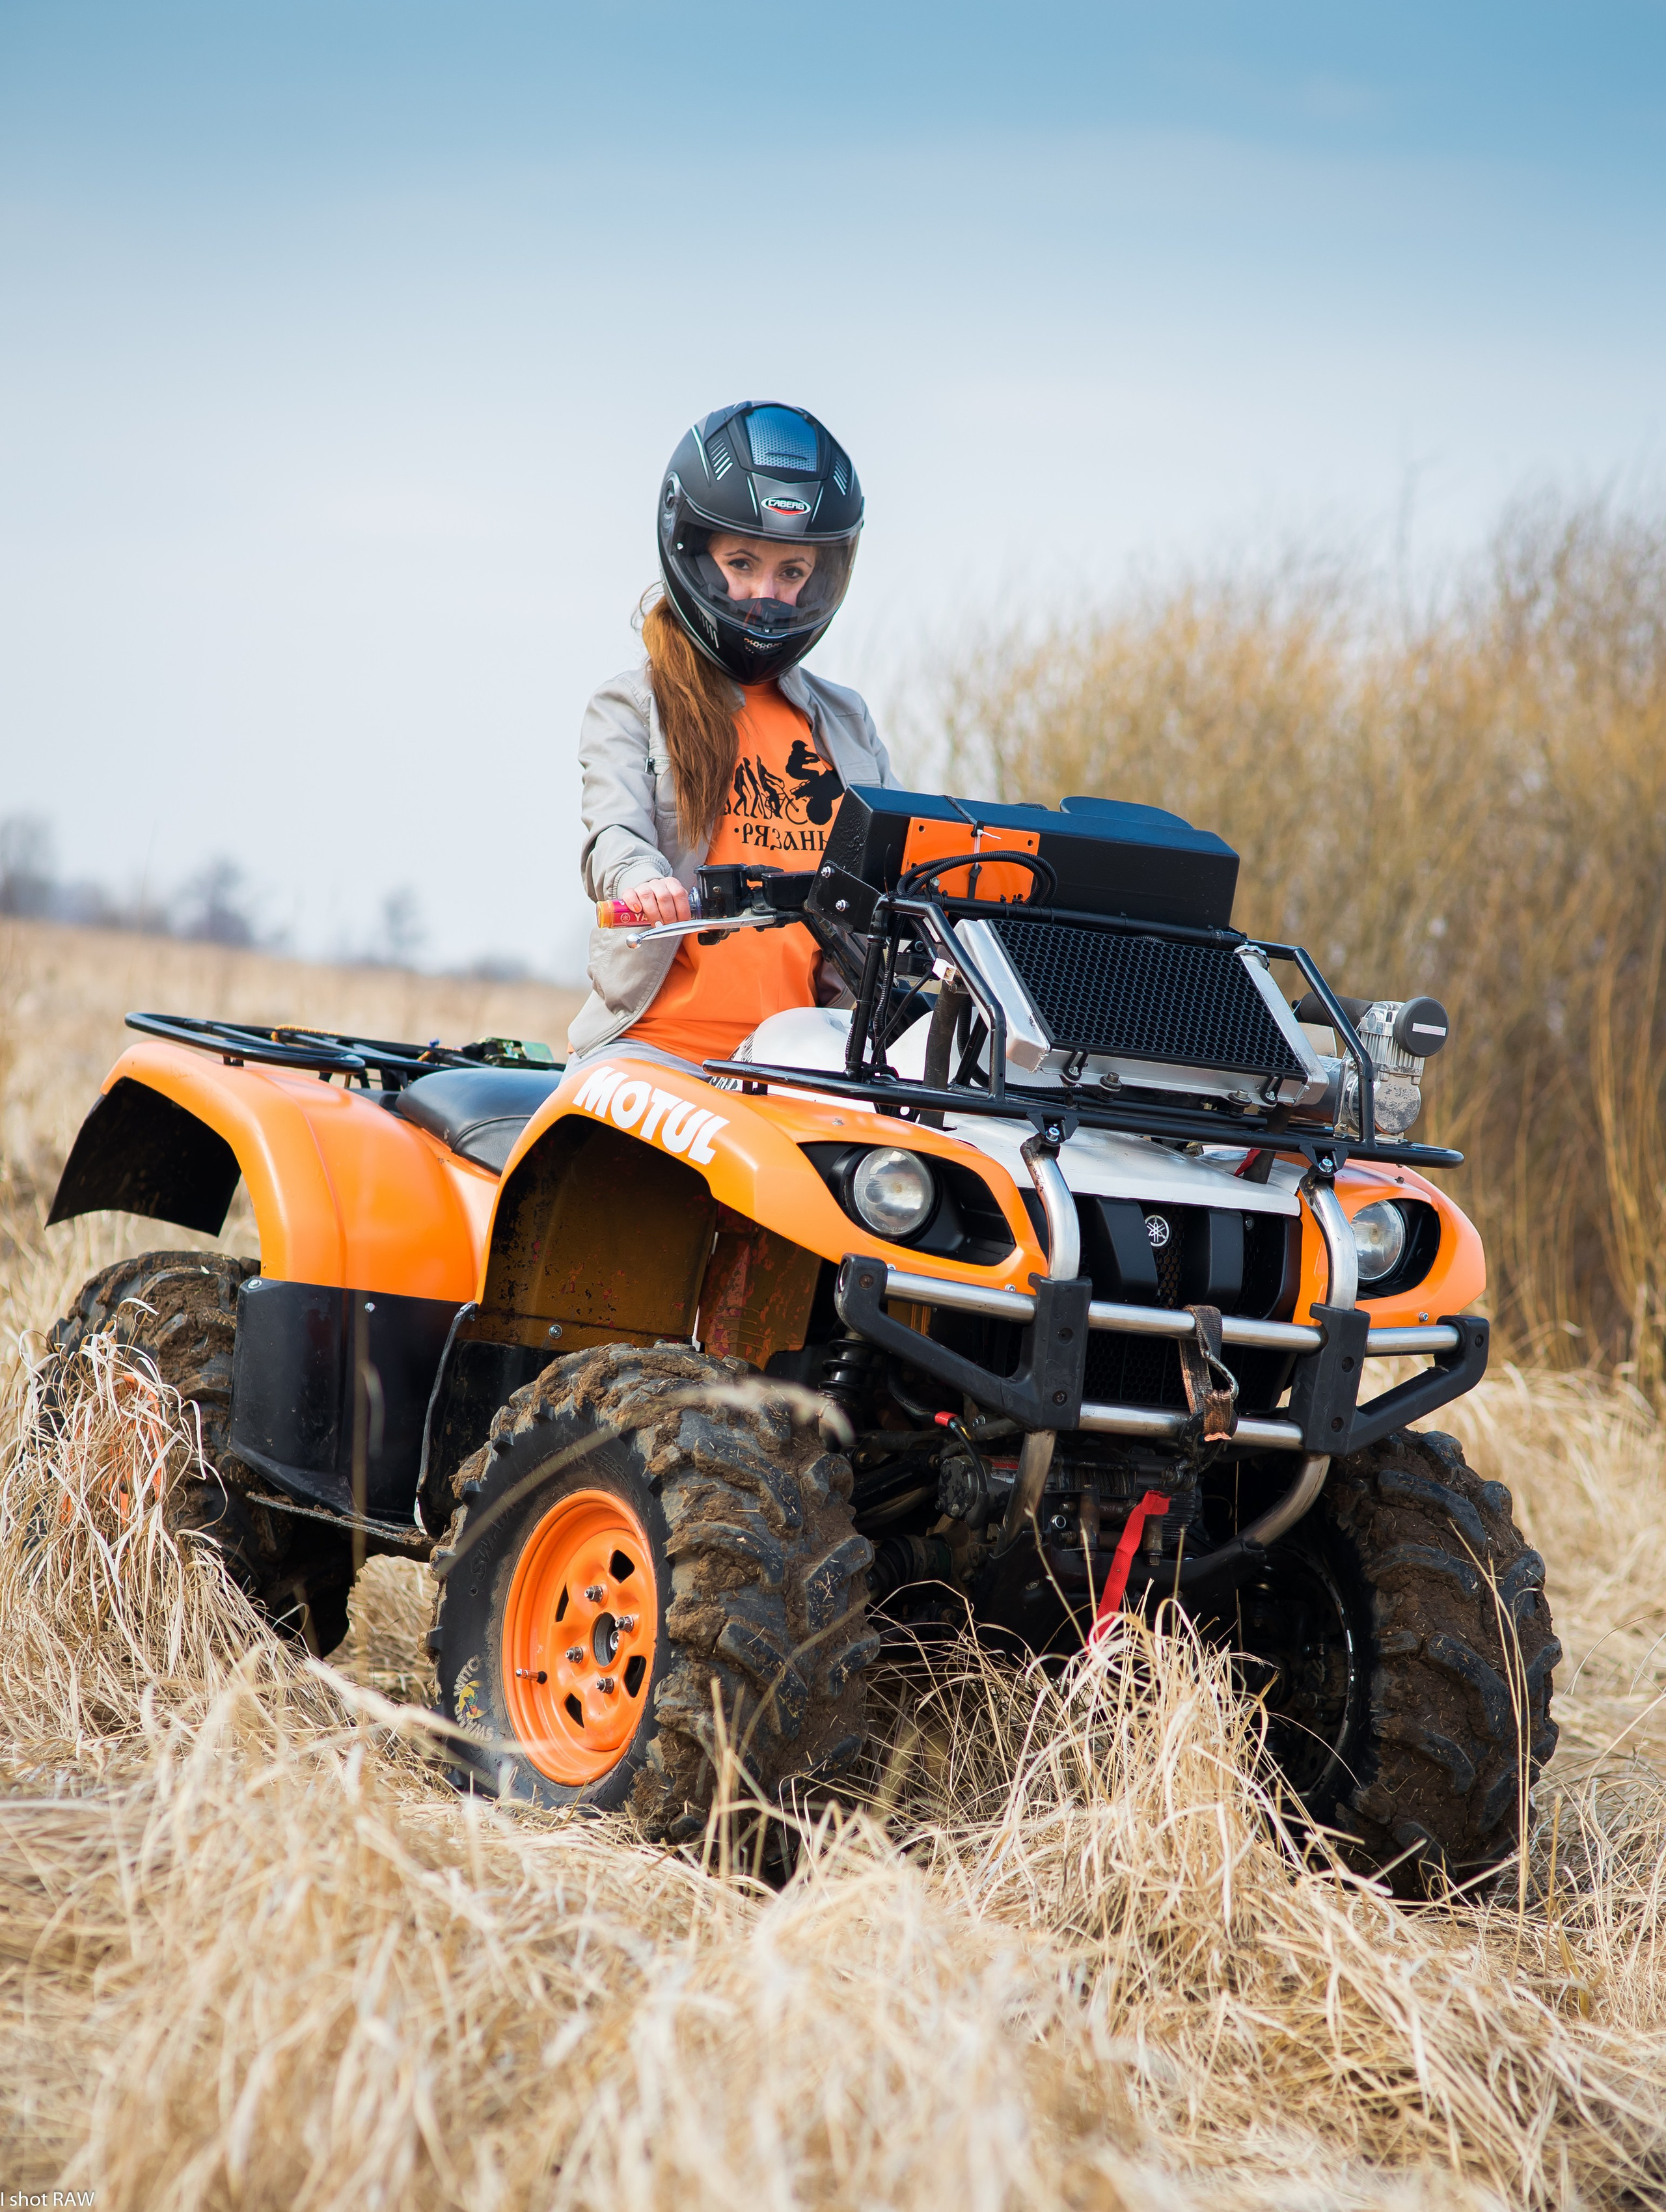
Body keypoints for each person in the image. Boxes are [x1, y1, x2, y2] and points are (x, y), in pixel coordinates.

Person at [568, 401, 898, 1071]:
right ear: (693, 551)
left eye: (791, 573)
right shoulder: (632, 705)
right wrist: (640, 882)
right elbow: (614, 836)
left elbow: (898, 871)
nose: (764, 594)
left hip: (805, 1059)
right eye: (742, 563)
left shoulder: (847, 723)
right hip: (655, 1053)